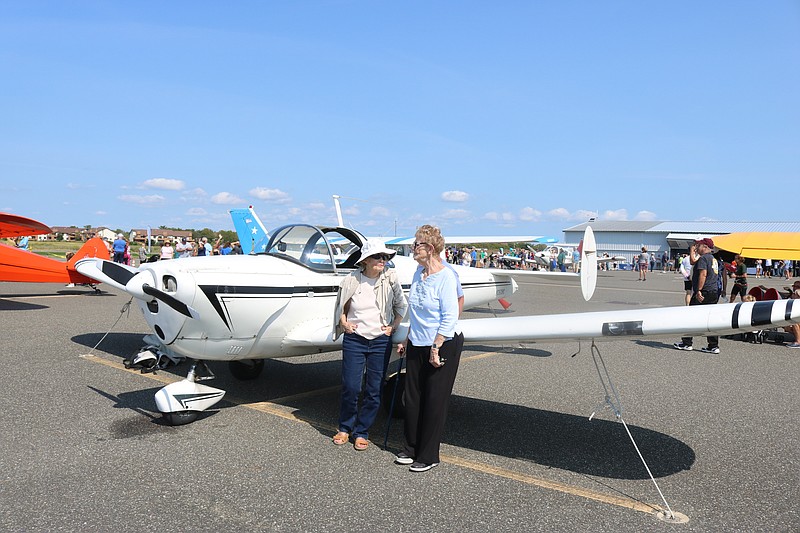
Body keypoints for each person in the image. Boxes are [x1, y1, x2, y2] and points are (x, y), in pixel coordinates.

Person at [395, 225, 462, 472]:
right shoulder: (418, 274)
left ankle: (428, 455)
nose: (413, 249)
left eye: (416, 245)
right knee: (412, 398)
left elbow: (450, 316)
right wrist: (406, 338)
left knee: (434, 401)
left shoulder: (446, 277)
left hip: (442, 343)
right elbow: (416, 312)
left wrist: (436, 346)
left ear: (429, 248)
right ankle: (410, 448)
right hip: (417, 341)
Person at [332, 239, 408, 451]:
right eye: (378, 256)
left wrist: (393, 326)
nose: (383, 260)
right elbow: (342, 306)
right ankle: (345, 428)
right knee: (351, 386)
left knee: (374, 389)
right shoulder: (351, 280)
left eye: (385, 257)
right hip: (355, 340)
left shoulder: (390, 279)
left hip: (379, 341)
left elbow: (401, 304)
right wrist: (344, 323)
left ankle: (362, 431)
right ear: (365, 260)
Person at [674, 238, 721, 354]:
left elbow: (703, 274)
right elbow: (693, 262)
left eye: (699, 245)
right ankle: (713, 345)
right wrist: (692, 252)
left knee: (690, 316)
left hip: (704, 291)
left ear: (704, 247)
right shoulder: (712, 258)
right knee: (710, 319)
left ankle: (687, 343)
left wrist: (699, 290)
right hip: (713, 291)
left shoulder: (704, 258)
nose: (697, 247)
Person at [784, 280, 800, 348]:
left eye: (798, 286)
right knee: (786, 326)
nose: (795, 288)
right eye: (794, 286)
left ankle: (798, 342)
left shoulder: (797, 293)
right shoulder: (793, 294)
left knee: (794, 321)